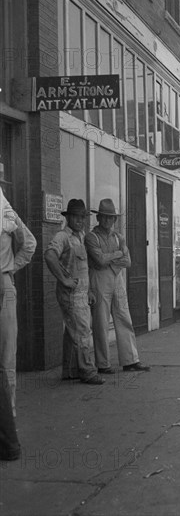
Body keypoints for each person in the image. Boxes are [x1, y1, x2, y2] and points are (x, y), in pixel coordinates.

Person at [84, 199, 150, 374]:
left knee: (124, 317)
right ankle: (103, 363)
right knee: (101, 321)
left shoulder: (118, 236)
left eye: (110, 218)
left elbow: (127, 262)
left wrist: (111, 259)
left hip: (116, 277)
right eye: (104, 217)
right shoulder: (91, 237)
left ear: (114, 220)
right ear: (98, 218)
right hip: (99, 279)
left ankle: (130, 360)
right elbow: (98, 260)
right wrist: (118, 253)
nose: (107, 221)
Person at [44, 199, 104, 385]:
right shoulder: (63, 236)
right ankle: (88, 371)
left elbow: (83, 267)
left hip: (81, 293)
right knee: (82, 331)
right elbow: (49, 255)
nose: (80, 220)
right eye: (76, 217)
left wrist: (89, 292)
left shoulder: (80, 236)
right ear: (68, 217)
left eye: (82, 217)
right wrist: (64, 279)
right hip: (70, 293)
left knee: (73, 332)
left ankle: (70, 371)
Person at [0, 183, 36, 461]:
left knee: (6, 360)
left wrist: (11, 268)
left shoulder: (7, 214)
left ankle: (7, 422)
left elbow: (30, 243)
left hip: (3, 286)